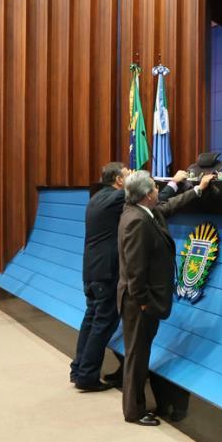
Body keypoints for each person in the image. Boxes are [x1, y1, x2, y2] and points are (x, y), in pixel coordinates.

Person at [71, 164, 189, 390]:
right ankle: (86, 376)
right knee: (102, 325)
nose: (131, 176)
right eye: (128, 175)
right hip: (107, 273)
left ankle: (78, 369)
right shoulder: (119, 199)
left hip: (91, 270)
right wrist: (174, 183)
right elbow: (153, 200)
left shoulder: (96, 197)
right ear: (118, 181)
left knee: (91, 321)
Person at [118, 170, 215, 426]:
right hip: (139, 302)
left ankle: (135, 405)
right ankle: (134, 411)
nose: (157, 191)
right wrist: (144, 302)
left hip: (142, 300)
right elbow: (135, 270)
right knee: (137, 356)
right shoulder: (138, 221)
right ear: (147, 195)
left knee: (139, 353)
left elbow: (169, 206)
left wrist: (198, 189)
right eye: (154, 188)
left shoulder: (142, 212)